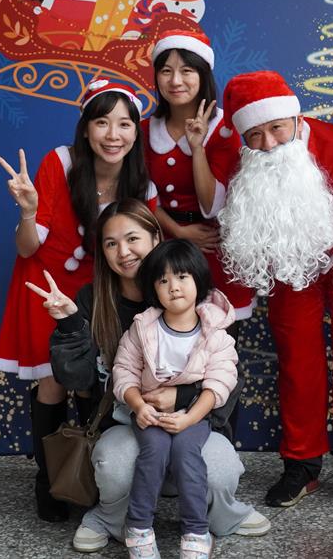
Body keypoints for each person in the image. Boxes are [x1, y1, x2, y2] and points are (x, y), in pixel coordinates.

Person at [27, 199, 269, 552]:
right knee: (115, 465)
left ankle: (221, 515)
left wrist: (182, 398)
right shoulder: (94, 300)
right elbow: (77, 379)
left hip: (192, 422)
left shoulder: (195, 297)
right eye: (111, 243)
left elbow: (229, 377)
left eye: (132, 239)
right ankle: (110, 518)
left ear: (156, 238)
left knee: (221, 469)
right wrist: (69, 324)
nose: (123, 252)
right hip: (127, 424)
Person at [216, 70, 333, 510]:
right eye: (255, 135)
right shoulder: (245, 159)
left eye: (276, 128)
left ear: (294, 118)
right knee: (296, 357)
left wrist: (296, 245)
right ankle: (302, 463)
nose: (269, 143)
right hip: (288, 264)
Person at [0, 80, 156, 522]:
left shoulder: (141, 180)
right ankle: (49, 482)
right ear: (85, 128)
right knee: (53, 380)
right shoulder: (60, 162)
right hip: (47, 285)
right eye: (102, 122)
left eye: (124, 124)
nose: (113, 134)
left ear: (136, 131)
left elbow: (146, 244)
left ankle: (89, 477)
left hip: (99, 289)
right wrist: (28, 211)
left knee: (90, 377)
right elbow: (28, 247)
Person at [113, 239, 239, 559]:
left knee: (186, 453)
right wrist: (139, 406)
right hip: (150, 412)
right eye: (163, 280)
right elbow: (124, 372)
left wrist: (189, 418)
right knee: (154, 450)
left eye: (182, 277)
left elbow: (219, 383)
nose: (173, 287)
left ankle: (196, 531)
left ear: (199, 280)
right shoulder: (142, 328)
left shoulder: (215, 333)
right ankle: (139, 528)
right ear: (153, 289)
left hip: (193, 415)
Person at [142, 29, 256, 322]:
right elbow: (139, 194)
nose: (175, 81)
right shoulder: (143, 130)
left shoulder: (223, 129)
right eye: (166, 71)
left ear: (203, 75)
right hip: (165, 248)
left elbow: (212, 205)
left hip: (214, 249)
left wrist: (197, 148)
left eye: (186, 71)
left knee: (219, 342)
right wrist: (178, 231)